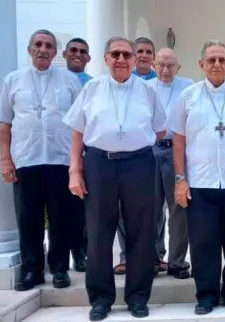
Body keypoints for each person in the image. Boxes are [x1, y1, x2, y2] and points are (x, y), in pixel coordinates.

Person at [63, 36, 166, 320]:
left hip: (139, 164)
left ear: (135, 59)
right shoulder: (92, 89)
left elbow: (158, 130)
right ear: (106, 58)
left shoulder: (148, 92)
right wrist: (75, 170)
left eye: (126, 55)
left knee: (142, 232)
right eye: (115, 54)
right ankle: (101, 298)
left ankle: (138, 296)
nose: (121, 60)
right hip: (99, 164)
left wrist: (130, 140)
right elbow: (77, 132)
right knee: (98, 231)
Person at [0, 29, 81, 291]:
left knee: (61, 218)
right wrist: (6, 159)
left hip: (59, 159)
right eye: (38, 45)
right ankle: (32, 270)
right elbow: (5, 123)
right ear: (29, 50)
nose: (43, 49)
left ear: (55, 52)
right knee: (28, 218)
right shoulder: (13, 80)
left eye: (48, 45)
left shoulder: (69, 81)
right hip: (25, 159)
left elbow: (79, 124)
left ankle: (60, 269)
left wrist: (79, 163)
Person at [167, 40, 225, 315]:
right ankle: (206, 295)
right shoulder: (188, 96)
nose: (217, 64)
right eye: (211, 60)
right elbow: (178, 141)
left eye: (221, 60)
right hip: (200, 183)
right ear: (202, 65)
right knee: (203, 242)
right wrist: (180, 178)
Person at [146, 48, 194, 279]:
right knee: (153, 208)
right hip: (149, 152)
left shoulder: (188, 87)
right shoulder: (145, 88)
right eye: (161, 65)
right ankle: (155, 259)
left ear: (178, 67)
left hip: (176, 151)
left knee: (179, 208)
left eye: (170, 66)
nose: (165, 70)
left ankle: (177, 262)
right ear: (154, 65)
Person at [114, 37, 158, 275]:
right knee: (121, 212)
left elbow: (160, 126)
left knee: (151, 210)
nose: (143, 55)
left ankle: (154, 255)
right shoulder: (102, 86)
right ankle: (125, 256)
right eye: (138, 51)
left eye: (147, 52)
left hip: (146, 154)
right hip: (114, 158)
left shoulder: (153, 85)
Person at [62, 36, 91, 272]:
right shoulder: (57, 81)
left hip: (84, 157)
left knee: (82, 210)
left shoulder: (93, 84)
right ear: (64, 54)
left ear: (89, 58)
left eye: (82, 51)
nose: (78, 54)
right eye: (73, 50)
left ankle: (82, 254)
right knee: (59, 212)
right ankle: (58, 260)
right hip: (54, 156)